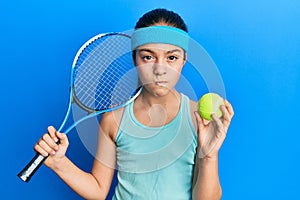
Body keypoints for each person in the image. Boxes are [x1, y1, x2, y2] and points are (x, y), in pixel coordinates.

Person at [34, 8, 234, 200]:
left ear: (184, 60)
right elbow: (98, 190)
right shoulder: (113, 119)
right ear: (134, 59)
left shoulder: (198, 117)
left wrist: (209, 156)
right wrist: (59, 163)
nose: (160, 69)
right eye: (148, 57)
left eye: (171, 57)